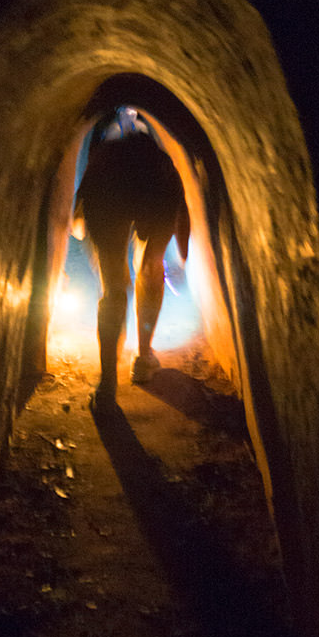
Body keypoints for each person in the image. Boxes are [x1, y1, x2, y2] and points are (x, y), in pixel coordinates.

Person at [73, 108, 190, 411]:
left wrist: (93, 243)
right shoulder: (157, 154)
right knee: (151, 267)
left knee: (113, 289)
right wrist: (183, 255)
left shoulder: (103, 151)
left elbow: (77, 226)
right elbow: (181, 209)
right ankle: (143, 357)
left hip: (107, 183)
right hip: (157, 183)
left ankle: (108, 385)